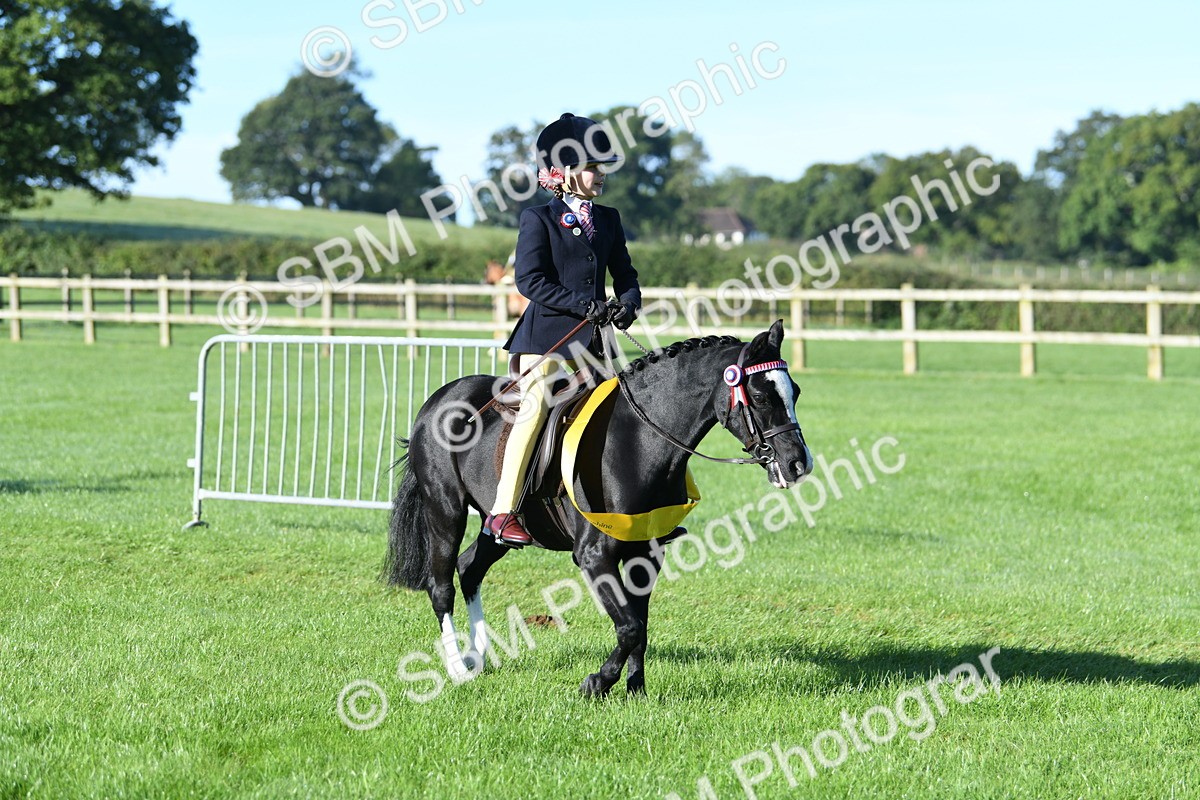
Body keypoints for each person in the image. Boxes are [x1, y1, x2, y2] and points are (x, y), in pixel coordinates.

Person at [485, 113, 641, 547]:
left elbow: (625, 274)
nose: (601, 174)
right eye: (593, 167)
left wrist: (628, 303)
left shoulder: (608, 219)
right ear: (567, 172)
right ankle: (501, 512)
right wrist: (582, 304)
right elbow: (529, 281)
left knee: (632, 411)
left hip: (596, 344)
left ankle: (636, 509)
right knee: (534, 409)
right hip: (546, 341)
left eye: (602, 166)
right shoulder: (538, 218)